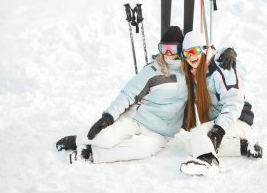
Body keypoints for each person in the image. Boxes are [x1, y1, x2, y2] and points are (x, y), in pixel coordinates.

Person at [56, 26, 188, 164]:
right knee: (105, 139)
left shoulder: (189, 74)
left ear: (180, 49)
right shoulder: (153, 70)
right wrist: (108, 117)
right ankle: (78, 140)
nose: (167, 53)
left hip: (160, 133)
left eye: (172, 49)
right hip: (136, 120)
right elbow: (128, 94)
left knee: (142, 149)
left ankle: (90, 153)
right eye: (163, 48)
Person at [179, 31, 263, 176]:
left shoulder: (222, 67)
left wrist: (218, 130)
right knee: (193, 145)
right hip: (220, 122)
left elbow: (233, 102)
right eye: (187, 53)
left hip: (237, 120)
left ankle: (209, 162)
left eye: (194, 51)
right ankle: (243, 146)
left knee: (200, 138)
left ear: (204, 49)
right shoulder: (194, 73)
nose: (191, 56)